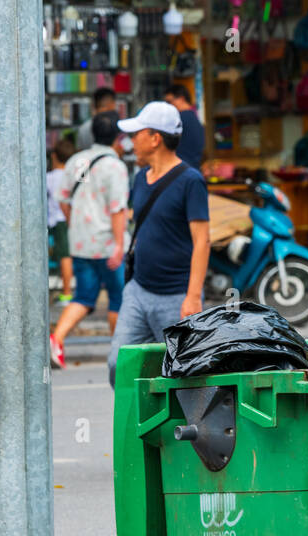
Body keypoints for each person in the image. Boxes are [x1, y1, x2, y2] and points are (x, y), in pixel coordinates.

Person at [107, 101, 210, 388]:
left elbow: (202, 240)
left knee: (182, 377)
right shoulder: (140, 178)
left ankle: (175, 431)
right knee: (119, 363)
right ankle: (139, 429)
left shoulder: (191, 181)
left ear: (155, 138)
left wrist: (193, 296)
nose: (131, 142)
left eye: (137, 134)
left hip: (176, 297)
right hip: (138, 291)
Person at [52, 111, 129, 370]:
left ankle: (57, 339)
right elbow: (118, 209)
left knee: (84, 296)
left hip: (81, 242)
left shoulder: (76, 161)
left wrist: (76, 223)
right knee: (118, 298)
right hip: (108, 244)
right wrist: (119, 245)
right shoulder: (115, 166)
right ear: (118, 137)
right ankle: (119, 351)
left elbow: (63, 199)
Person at [46, 138, 76, 303]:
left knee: (64, 256)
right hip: (71, 220)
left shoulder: (49, 177)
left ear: (55, 156)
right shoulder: (74, 176)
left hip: (58, 220)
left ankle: (66, 292)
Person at [165, 84, 205, 171]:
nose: (168, 106)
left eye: (169, 102)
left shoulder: (179, 119)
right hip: (193, 169)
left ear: (181, 99)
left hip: (180, 171)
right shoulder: (194, 117)